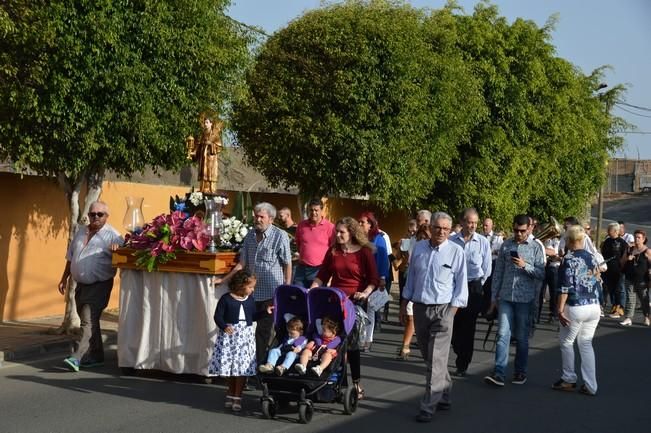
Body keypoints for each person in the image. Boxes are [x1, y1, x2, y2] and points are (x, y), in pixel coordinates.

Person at [400, 212, 467, 423]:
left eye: (446, 229)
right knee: (430, 357)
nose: (442, 232)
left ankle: (428, 406)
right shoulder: (419, 248)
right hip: (420, 308)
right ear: (431, 227)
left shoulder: (456, 252)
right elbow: (411, 279)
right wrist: (404, 303)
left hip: (443, 310)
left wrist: (451, 314)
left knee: (437, 360)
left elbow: (461, 287)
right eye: (438, 228)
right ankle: (445, 392)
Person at [310, 217, 379, 400]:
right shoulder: (333, 252)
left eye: (342, 232)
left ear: (352, 233)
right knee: (331, 342)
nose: (338, 235)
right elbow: (322, 275)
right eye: (337, 231)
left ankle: (356, 382)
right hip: (334, 300)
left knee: (352, 345)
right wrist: (312, 289)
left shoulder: (364, 252)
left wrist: (365, 293)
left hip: (354, 302)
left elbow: (374, 279)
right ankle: (335, 381)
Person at [216, 202, 292, 365]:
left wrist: (286, 289)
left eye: (261, 217)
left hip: (270, 293)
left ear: (271, 219)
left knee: (263, 333)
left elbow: (287, 263)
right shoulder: (250, 235)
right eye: (256, 216)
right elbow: (242, 264)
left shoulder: (280, 236)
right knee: (246, 330)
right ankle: (247, 365)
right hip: (249, 292)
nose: (258, 219)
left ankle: (258, 368)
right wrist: (223, 280)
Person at [59, 201, 123, 371]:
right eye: (92, 214)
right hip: (81, 285)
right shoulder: (81, 232)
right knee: (90, 320)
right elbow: (71, 257)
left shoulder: (114, 236)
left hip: (99, 285)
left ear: (106, 217)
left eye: (99, 214)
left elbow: (124, 259)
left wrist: (118, 250)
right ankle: (97, 355)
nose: (95, 217)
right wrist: (64, 278)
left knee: (87, 321)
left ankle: (77, 357)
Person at [484, 214, 545, 387]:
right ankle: (499, 372)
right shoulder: (506, 245)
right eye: (515, 230)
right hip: (505, 297)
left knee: (521, 337)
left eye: (522, 231)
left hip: (525, 299)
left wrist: (525, 265)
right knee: (503, 334)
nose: (518, 234)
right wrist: (493, 297)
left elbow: (541, 273)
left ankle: (520, 371)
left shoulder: (535, 247)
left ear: (529, 228)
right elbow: (498, 273)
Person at [552, 225, 601, 396]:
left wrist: (559, 310)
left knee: (566, 342)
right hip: (594, 305)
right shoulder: (592, 257)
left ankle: (568, 378)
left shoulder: (568, 259)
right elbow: (597, 278)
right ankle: (591, 385)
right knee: (586, 344)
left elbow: (565, 287)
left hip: (576, 305)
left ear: (571, 240)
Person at [209, 270, 260, 412]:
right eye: (250, 287)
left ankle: (238, 397)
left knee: (241, 368)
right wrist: (224, 326)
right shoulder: (226, 299)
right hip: (230, 337)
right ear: (240, 285)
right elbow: (218, 316)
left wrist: (265, 312)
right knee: (231, 368)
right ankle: (231, 393)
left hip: (245, 337)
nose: (252, 290)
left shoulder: (250, 299)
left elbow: (253, 316)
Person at [450, 208, 491, 377]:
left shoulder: (482, 242)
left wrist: (477, 286)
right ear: (462, 222)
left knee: (469, 327)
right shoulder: (452, 241)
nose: (473, 225)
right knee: (452, 325)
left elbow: (486, 269)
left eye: (475, 222)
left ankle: (463, 363)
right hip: (454, 287)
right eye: (469, 222)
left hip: (473, 287)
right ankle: (458, 348)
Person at [358, 212, 390, 351]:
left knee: (370, 309)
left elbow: (383, 259)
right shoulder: (358, 238)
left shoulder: (379, 238)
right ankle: (358, 337)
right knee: (358, 310)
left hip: (373, 279)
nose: (359, 225)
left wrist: (382, 277)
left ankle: (367, 340)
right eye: (359, 222)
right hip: (359, 278)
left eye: (362, 222)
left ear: (370, 224)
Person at [294, 198, 335, 287]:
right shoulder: (301, 225)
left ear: (321, 210)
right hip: (301, 269)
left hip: (319, 270)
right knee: (298, 296)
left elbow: (333, 249)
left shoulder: (330, 227)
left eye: (316, 210)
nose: (313, 213)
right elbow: (298, 244)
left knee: (316, 298)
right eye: (311, 210)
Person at [186, 113, 223, 194]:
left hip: (211, 158)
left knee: (210, 173)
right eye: (204, 122)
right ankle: (202, 189)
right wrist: (193, 153)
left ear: (211, 123)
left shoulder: (215, 135)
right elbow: (198, 146)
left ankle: (211, 189)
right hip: (203, 158)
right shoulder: (202, 134)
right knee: (203, 173)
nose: (205, 124)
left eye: (207, 122)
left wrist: (211, 144)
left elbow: (219, 147)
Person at [620, 230, 651, 326]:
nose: (637, 239)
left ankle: (646, 317)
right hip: (629, 278)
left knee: (644, 299)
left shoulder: (647, 251)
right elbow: (621, 262)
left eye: (639, 237)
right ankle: (628, 318)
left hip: (642, 280)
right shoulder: (629, 249)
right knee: (630, 298)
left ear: (644, 239)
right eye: (636, 237)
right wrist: (627, 258)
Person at [600, 222, 628, 318]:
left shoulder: (622, 243)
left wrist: (622, 268)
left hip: (618, 270)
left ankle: (620, 308)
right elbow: (603, 254)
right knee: (611, 289)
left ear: (616, 231)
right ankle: (614, 305)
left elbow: (624, 257)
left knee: (619, 289)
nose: (608, 231)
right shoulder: (607, 241)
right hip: (607, 269)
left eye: (610, 230)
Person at [277, 207, 299, 277]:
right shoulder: (280, 229)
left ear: (288, 215)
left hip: (294, 262)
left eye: (281, 216)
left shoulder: (297, 229)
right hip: (281, 262)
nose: (279, 218)